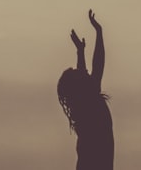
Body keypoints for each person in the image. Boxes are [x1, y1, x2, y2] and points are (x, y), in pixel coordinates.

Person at [57, 9, 114, 170]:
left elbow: (85, 73)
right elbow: (97, 65)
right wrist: (99, 32)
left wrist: (80, 51)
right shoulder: (91, 106)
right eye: (78, 74)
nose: (82, 71)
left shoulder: (84, 110)